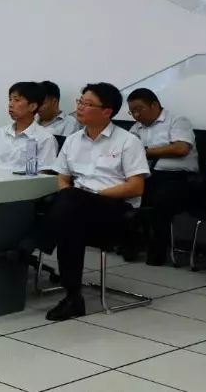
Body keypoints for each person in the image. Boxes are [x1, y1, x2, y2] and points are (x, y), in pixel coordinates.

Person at [39, 83, 150, 321]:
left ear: (107, 111)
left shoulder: (128, 141)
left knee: (68, 203)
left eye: (87, 104)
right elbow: (62, 178)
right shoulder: (73, 140)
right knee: (66, 214)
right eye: (80, 102)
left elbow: (135, 186)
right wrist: (73, 197)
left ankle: (31, 244)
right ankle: (73, 297)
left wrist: (90, 196)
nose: (80, 107)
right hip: (77, 208)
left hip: (115, 209)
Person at [127, 88, 197, 266]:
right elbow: (127, 152)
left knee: (160, 200)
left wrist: (145, 152)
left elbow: (181, 148)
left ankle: (156, 253)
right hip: (149, 176)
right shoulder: (136, 128)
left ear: (154, 105)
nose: (136, 115)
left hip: (179, 178)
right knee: (125, 192)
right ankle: (128, 243)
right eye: (132, 111)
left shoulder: (177, 121)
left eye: (139, 109)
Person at [0, 82, 59, 172]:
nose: (10, 104)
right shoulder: (1, 132)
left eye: (17, 100)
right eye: (10, 99)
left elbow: (45, 174)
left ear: (32, 106)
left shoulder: (45, 138)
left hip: (25, 180)